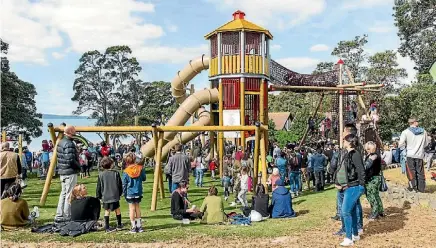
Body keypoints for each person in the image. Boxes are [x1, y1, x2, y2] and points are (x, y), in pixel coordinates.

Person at [335, 134, 365, 247]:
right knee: (351, 211)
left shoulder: (355, 154)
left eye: (344, 140)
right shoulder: (347, 154)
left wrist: (362, 185)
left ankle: (348, 238)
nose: (343, 142)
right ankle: (355, 234)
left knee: (345, 211)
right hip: (349, 186)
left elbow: (361, 170)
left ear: (350, 142)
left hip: (354, 186)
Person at [55, 126, 81, 222]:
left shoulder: (61, 142)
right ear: (70, 132)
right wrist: (78, 167)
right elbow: (70, 159)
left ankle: (59, 215)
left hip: (63, 171)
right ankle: (67, 216)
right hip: (69, 171)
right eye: (74, 132)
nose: (75, 133)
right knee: (69, 195)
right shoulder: (69, 143)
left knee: (63, 194)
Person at [398, 118, 431, 192]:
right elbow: (426, 143)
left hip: (410, 154)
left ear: (410, 123)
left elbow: (400, 144)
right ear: (415, 122)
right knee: (420, 172)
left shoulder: (405, 132)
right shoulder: (423, 131)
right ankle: (421, 188)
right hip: (419, 154)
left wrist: (406, 146)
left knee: (411, 171)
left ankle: (413, 187)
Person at [96, 157, 123, 232]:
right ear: (111, 165)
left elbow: (99, 186)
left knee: (107, 211)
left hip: (105, 196)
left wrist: (98, 196)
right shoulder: (116, 173)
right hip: (115, 195)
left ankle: (107, 227)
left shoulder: (101, 174)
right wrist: (120, 193)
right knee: (117, 209)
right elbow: (119, 184)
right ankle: (119, 225)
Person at [122, 152, 146, 233]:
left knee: (131, 209)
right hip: (138, 191)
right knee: (137, 208)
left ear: (126, 161)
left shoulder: (126, 171)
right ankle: (139, 226)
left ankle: (133, 227)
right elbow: (144, 178)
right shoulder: (140, 168)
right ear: (135, 159)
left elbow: (124, 184)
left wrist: (124, 194)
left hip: (130, 192)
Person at [364, 141, 384, 220]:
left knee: (371, 195)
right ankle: (380, 211)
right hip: (375, 178)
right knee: (376, 195)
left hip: (372, 179)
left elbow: (367, 167)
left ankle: (375, 213)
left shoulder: (373, 156)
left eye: (368, 148)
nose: (367, 150)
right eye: (367, 148)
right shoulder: (376, 155)